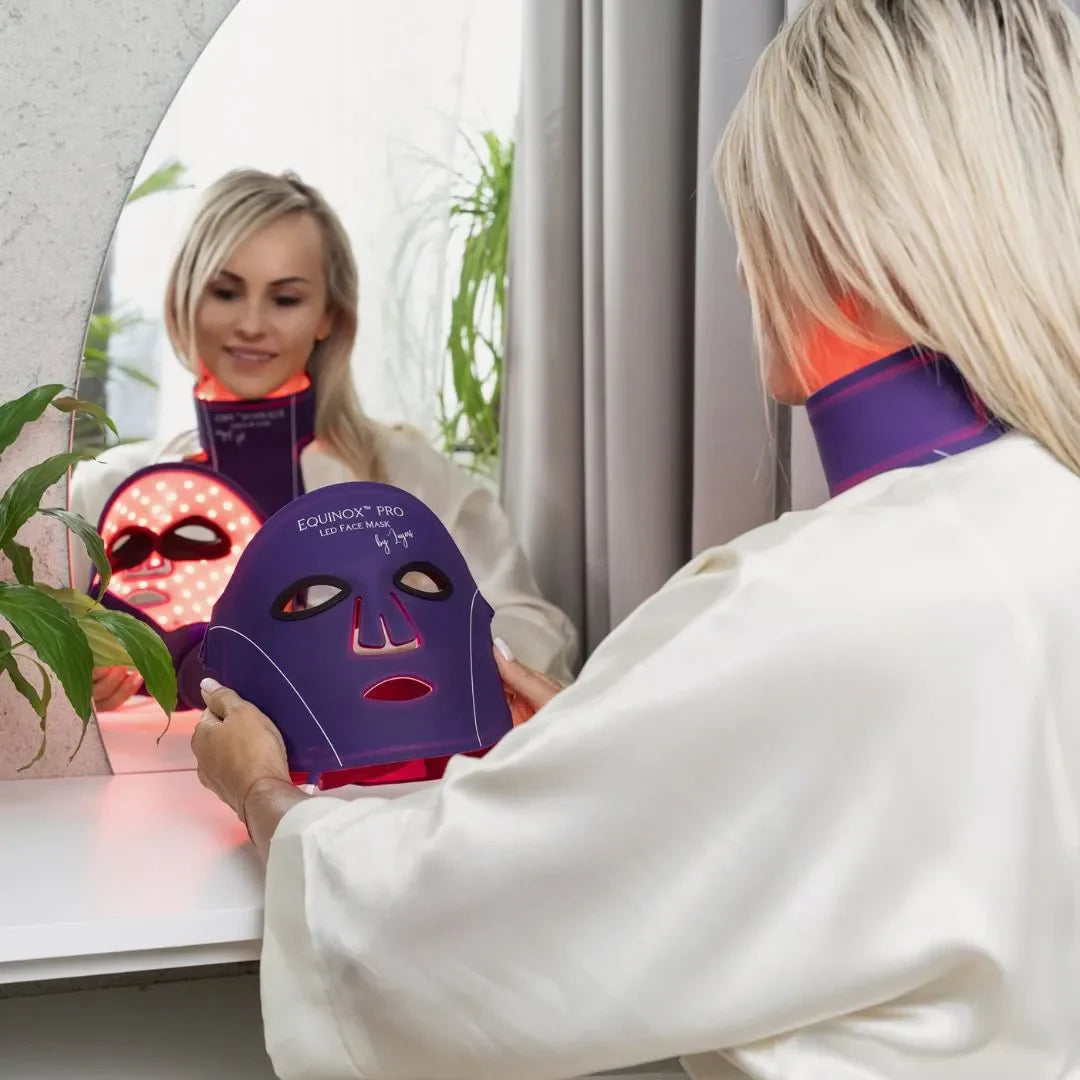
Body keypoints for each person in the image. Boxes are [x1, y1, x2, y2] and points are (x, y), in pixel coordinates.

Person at [191, 1, 1080, 1077]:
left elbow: (432, 935)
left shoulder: (798, 609)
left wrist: (259, 789)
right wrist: (605, 742)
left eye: (753, 222)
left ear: (837, 241)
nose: (744, 273)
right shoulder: (1034, 526)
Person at [71, 169, 577, 711]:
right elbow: (34, 659)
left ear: (328, 317)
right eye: (226, 292)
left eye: (285, 299)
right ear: (183, 301)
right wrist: (78, 674)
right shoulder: (108, 491)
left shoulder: (412, 480)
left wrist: (425, 663)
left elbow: (533, 633)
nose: (251, 324)